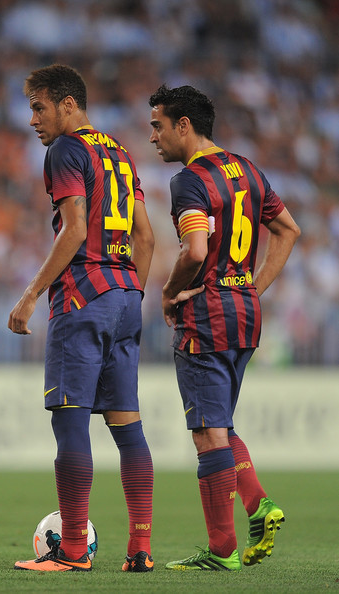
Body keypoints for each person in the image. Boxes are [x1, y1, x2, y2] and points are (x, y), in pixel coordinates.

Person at [9, 64, 156, 573]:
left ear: (68, 104)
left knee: (70, 421)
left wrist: (31, 294)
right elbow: (146, 237)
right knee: (128, 426)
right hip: (125, 296)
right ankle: (140, 550)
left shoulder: (65, 151)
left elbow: (73, 230)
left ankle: (72, 550)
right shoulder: (120, 152)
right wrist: (129, 292)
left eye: (39, 107)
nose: (33, 119)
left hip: (82, 296)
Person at [148, 84, 300, 571]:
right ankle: (259, 505)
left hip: (206, 317)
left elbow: (194, 250)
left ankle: (221, 551)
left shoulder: (189, 181)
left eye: (158, 126)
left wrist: (169, 292)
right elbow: (288, 229)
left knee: (207, 435)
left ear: (184, 125)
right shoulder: (248, 170)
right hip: (245, 315)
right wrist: (251, 289)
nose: (153, 137)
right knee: (220, 425)